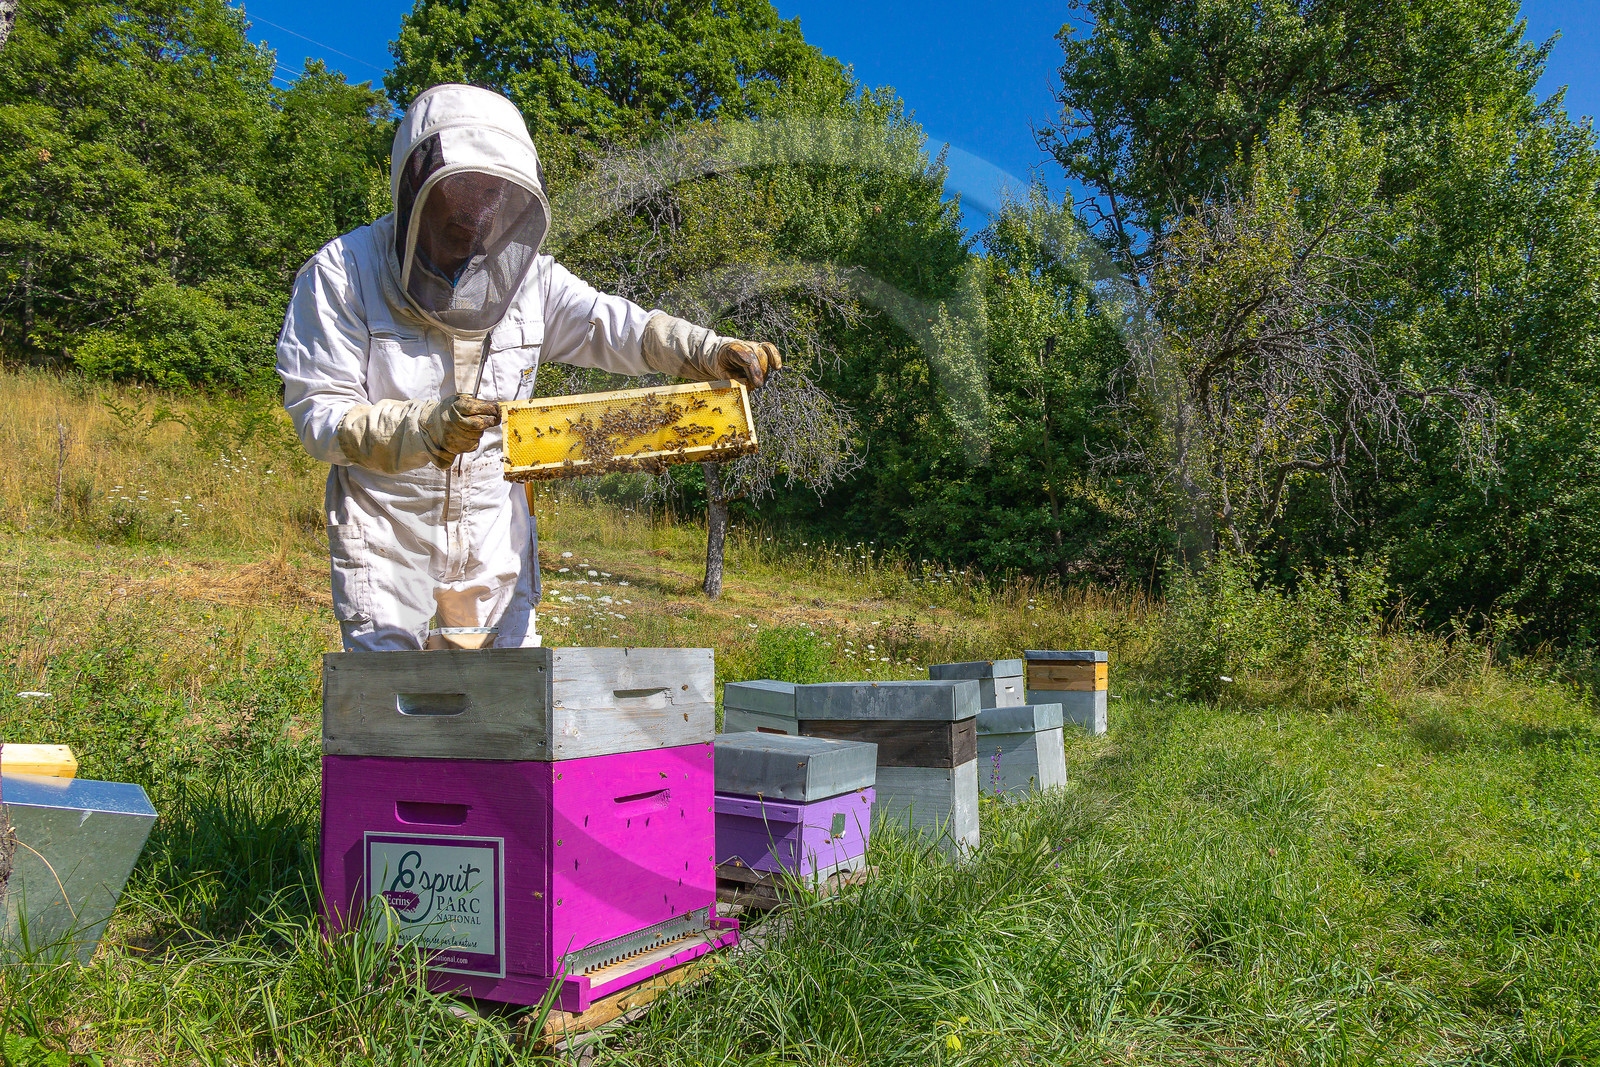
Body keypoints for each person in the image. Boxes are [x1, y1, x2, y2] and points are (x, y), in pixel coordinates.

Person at [276, 84, 779, 652]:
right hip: (389, 533)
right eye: (460, 196)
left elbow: (614, 325)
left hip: (495, 529)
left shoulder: (530, 279)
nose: (474, 215)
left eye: (490, 197)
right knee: (397, 700)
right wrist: (424, 429)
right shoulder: (342, 274)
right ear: (414, 188)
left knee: (510, 697)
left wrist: (706, 349)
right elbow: (321, 417)